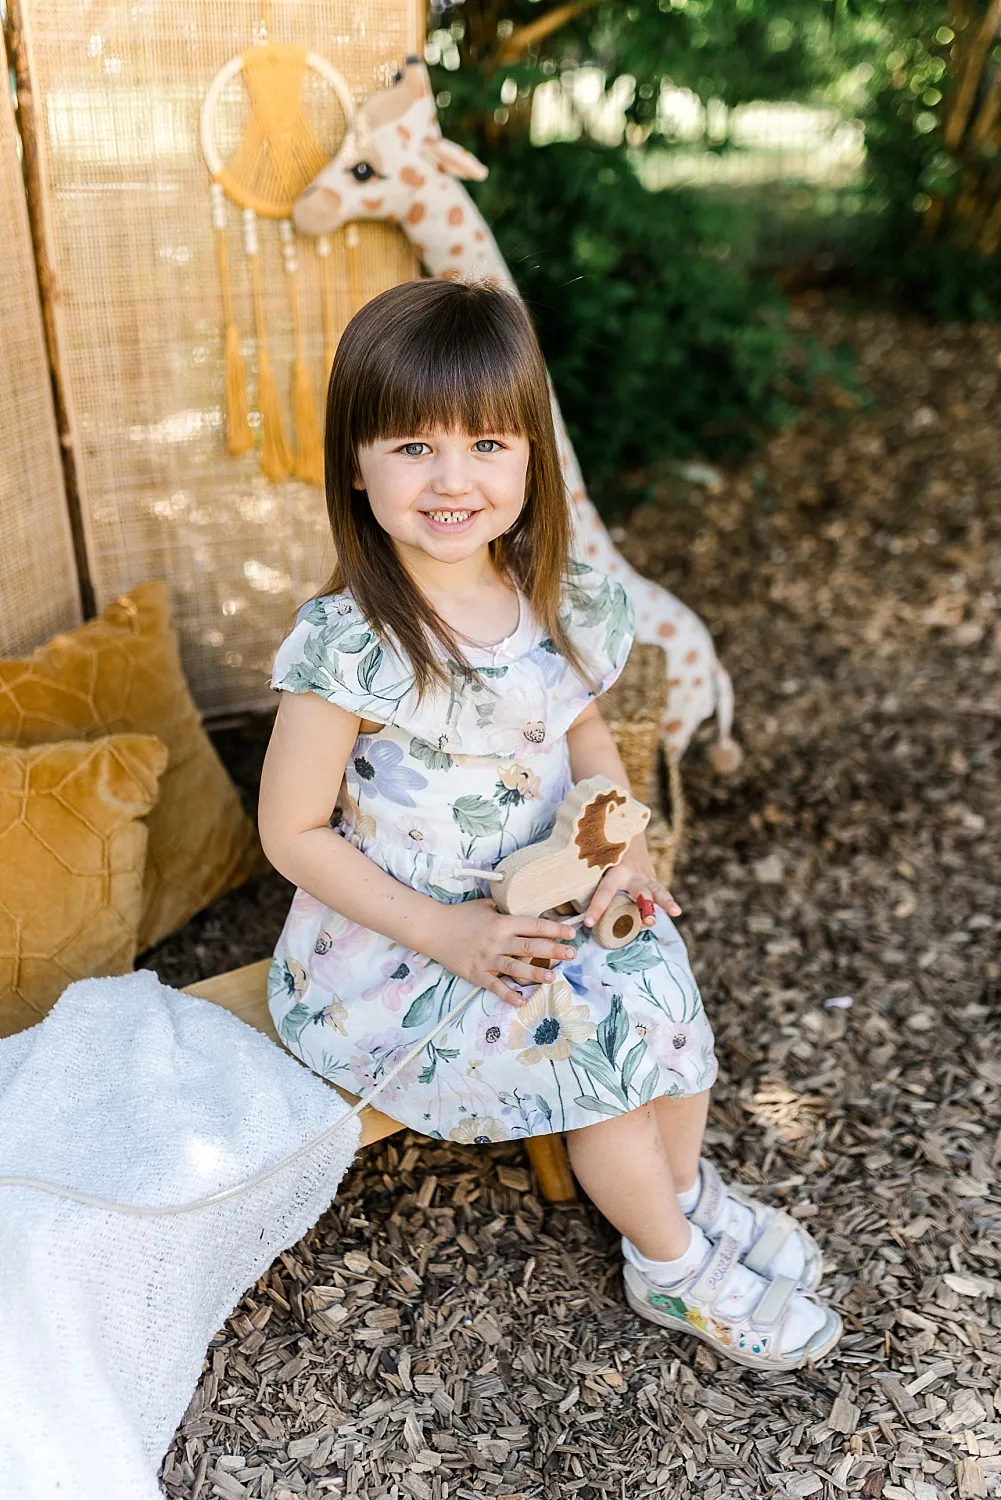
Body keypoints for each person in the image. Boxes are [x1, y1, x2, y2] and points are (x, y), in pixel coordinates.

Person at [257, 277, 842, 1372]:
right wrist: (449, 936)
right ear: (354, 461)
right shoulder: (349, 647)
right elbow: (291, 833)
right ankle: (670, 1266)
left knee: (668, 995)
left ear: (531, 456)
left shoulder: (553, 602)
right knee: (604, 1062)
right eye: (412, 447)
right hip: (406, 951)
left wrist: (619, 854)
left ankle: (682, 1191)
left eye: (486, 444)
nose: (452, 479)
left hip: (546, 901)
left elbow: (583, 748)